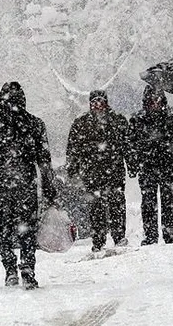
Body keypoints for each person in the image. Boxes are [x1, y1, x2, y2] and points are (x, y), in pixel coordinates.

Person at [0, 81, 56, 290]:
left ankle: (10, 270)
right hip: (25, 185)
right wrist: (50, 189)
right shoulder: (35, 124)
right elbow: (44, 161)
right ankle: (27, 269)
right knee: (27, 230)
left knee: (3, 229)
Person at [66, 90, 132, 253]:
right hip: (92, 172)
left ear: (106, 102)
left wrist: (132, 164)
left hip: (114, 170)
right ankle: (98, 239)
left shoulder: (118, 120)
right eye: (94, 102)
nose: (97, 105)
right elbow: (73, 148)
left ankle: (119, 236)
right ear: (90, 103)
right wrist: (72, 169)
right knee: (96, 208)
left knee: (117, 204)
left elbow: (128, 145)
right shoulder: (81, 123)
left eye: (100, 101)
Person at [128, 86, 173, 246]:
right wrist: (136, 160)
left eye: (156, 99)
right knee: (148, 202)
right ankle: (150, 235)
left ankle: (169, 234)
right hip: (148, 167)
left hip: (169, 166)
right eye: (150, 100)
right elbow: (130, 143)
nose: (154, 103)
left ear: (162, 100)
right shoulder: (137, 119)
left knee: (169, 201)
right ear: (146, 101)